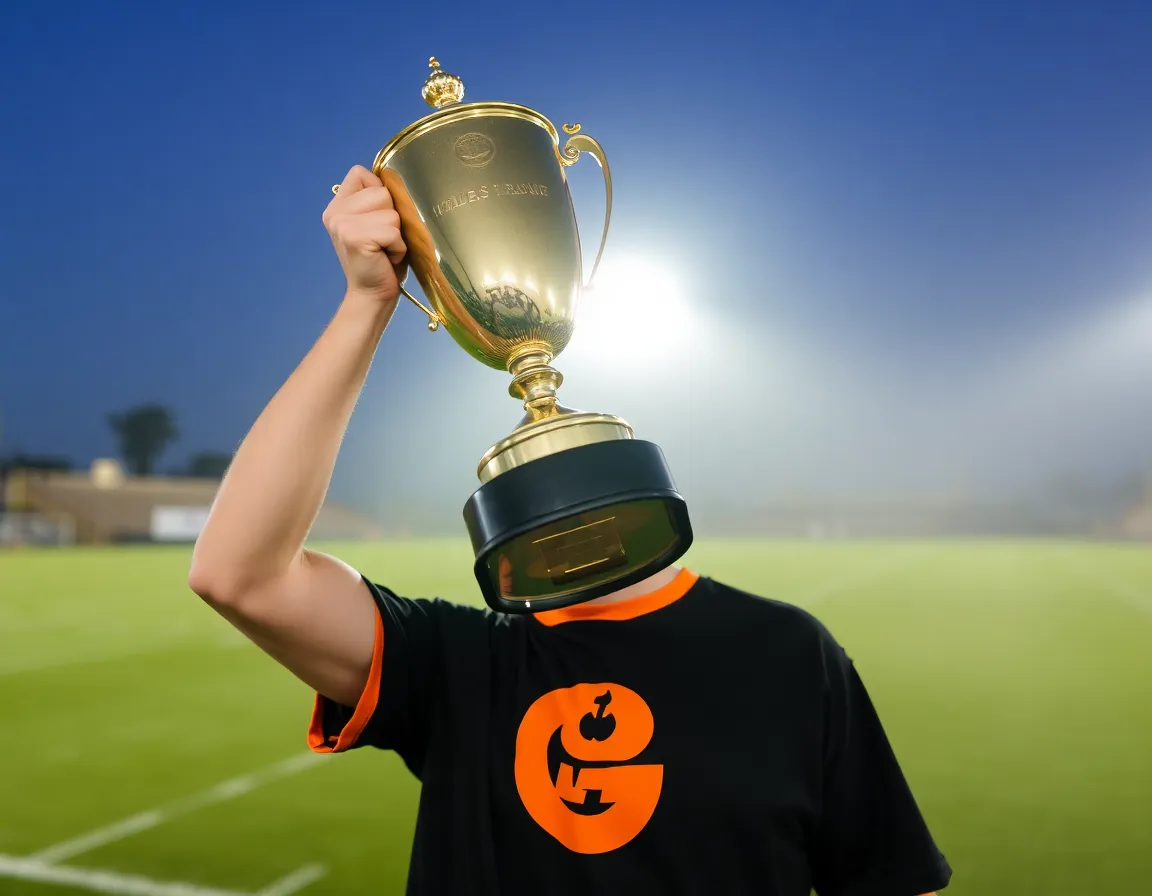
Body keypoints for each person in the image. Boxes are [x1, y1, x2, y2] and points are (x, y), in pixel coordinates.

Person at [189, 164, 953, 896]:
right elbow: (239, 575)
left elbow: (886, 883)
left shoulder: (789, 653)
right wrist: (366, 304)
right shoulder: (461, 666)